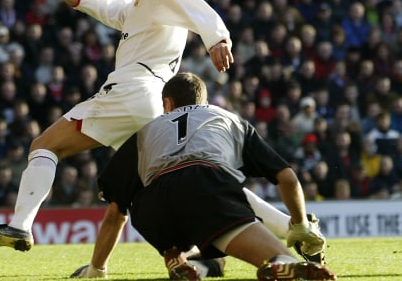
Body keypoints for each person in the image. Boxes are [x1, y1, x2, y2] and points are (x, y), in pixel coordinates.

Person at [0, 0, 234, 251]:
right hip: (151, 101)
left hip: (129, 92)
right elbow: (115, 9)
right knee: (173, 183)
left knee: (45, 145)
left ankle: (20, 225)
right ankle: (264, 233)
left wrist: (217, 38)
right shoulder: (148, 7)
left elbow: (193, 3)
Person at [73, 73, 334, 280]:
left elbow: (116, 213)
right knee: (280, 258)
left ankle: (185, 260)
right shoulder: (229, 120)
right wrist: (299, 226)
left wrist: (97, 268)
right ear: (204, 102)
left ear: (168, 104)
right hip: (206, 189)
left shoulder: (146, 132)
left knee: (203, 237)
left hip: (152, 210)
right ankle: (282, 262)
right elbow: (287, 178)